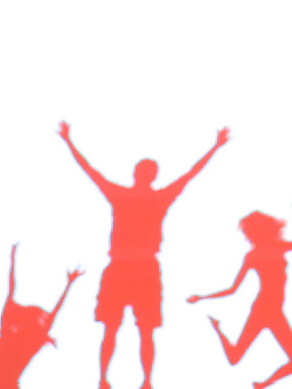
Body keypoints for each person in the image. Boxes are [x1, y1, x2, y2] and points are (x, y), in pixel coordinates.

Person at [58, 120, 229, 389]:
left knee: (141, 330)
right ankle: (107, 379)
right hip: (124, 267)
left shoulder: (149, 198)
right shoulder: (131, 196)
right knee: (116, 328)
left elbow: (190, 174)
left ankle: (143, 381)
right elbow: (90, 171)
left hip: (141, 268)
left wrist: (215, 147)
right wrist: (69, 142)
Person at [185, 196, 292, 389]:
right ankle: (217, 328)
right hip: (262, 310)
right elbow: (233, 289)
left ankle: (262, 384)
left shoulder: (278, 246)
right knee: (235, 357)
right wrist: (202, 297)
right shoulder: (253, 256)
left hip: (274, 311)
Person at [0, 245, 82, 389]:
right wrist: (68, 285)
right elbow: (53, 314)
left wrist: (69, 285)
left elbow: (12, 289)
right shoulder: (23, 337)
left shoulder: (22, 338)